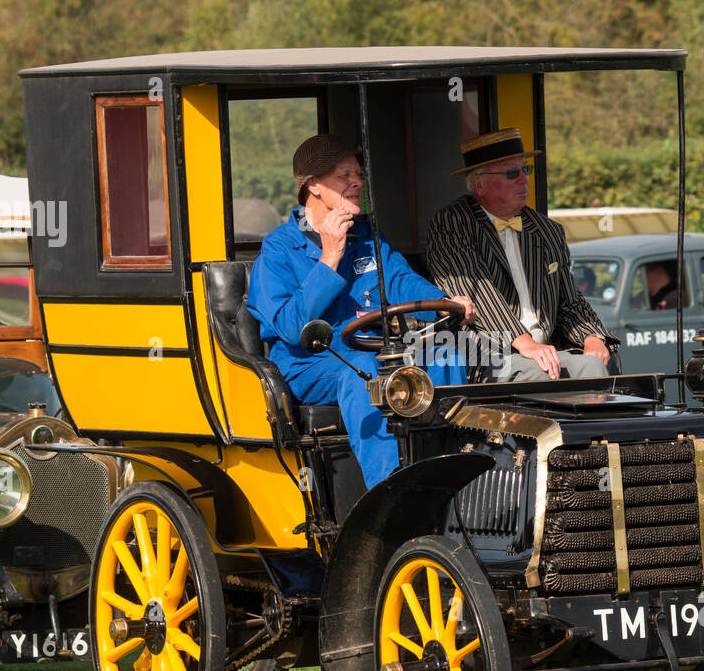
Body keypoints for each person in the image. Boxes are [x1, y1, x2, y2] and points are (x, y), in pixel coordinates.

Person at [247, 134, 474, 488]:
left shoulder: (368, 235)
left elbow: (401, 281)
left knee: (449, 355)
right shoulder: (279, 248)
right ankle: (390, 497)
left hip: (377, 351)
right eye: (344, 175)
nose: (358, 182)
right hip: (311, 365)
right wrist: (329, 259)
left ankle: (456, 481)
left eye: (358, 173)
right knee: (369, 374)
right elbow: (291, 328)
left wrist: (447, 301)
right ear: (314, 186)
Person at [426, 128, 618, 381]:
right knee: (587, 370)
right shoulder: (451, 223)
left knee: (602, 359)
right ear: (479, 184)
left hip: (545, 350)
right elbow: (475, 291)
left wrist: (593, 336)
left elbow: (569, 300)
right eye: (511, 173)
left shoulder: (547, 230)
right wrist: (525, 342)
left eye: (525, 170)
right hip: (488, 352)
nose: (523, 179)